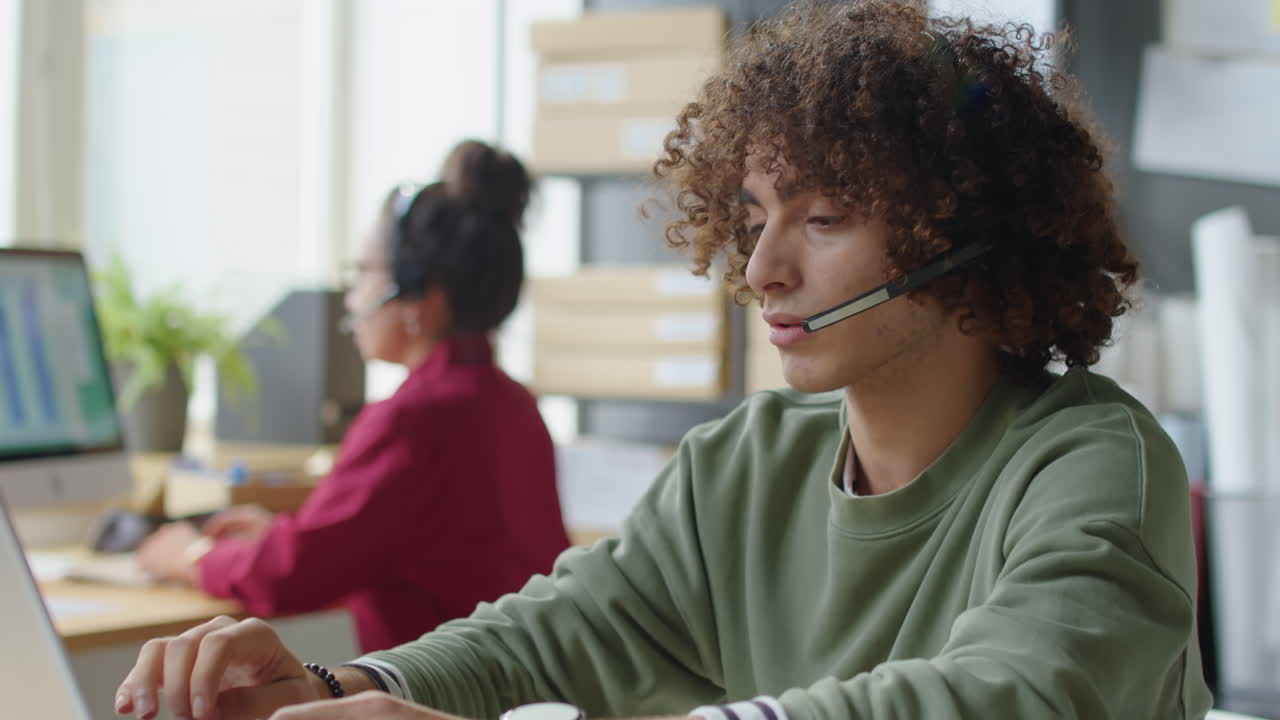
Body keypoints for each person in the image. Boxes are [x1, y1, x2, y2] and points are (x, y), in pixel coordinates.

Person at [116, 3, 1213, 719]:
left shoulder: (1089, 459)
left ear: (966, 233)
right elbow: (559, 630)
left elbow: (1014, 694)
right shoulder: (740, 464)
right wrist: (334, 688)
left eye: (823, 218)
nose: (762, 270)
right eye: (750, 217)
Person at [135, 140, 571, 655]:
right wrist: (283, 533)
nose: (353, 296)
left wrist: (192, 556)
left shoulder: (414, 419)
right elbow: (394, 545)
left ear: (419, 297)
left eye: (366, 273)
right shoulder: (513, 403)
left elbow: (292, 578)